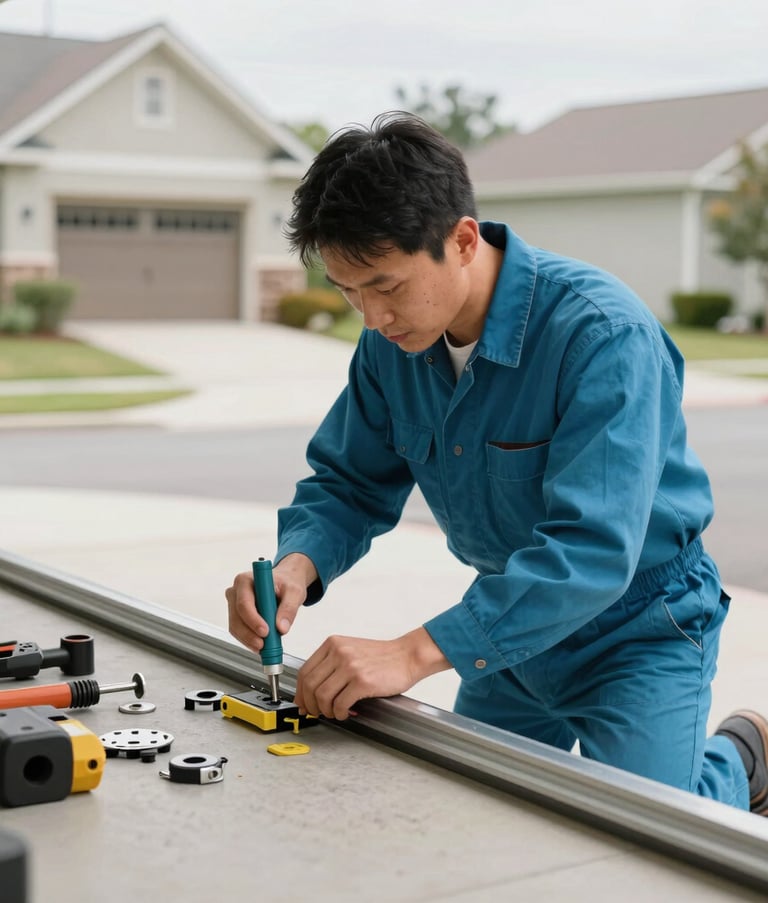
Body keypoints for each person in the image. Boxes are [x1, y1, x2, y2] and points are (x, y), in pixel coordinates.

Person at [226, 111, 768, 813]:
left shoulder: (604, 335)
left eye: (385, 286)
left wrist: (414, 652)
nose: (372, 317)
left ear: (461, 239)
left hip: (640, 626)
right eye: (347, 290)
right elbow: (349, 482)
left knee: (654, 830)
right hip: (508, 622)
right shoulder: (390, 346)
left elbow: (592, 550)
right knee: (476, 808)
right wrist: (298, 563)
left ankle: (743, 758)